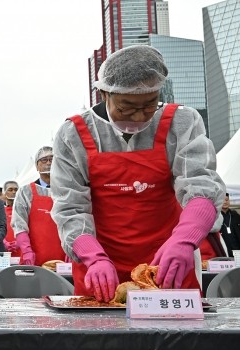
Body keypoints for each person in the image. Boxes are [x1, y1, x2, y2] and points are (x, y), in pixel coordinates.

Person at [50, 45, 225, 302]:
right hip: (101, 266)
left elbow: (202, 187)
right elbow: (70, 207)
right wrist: (93, 257)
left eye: (149, 105)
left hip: (167, 264)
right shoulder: (74, 134)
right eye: (127, 107)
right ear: (103, 93)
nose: (139, 115)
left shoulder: (181, 123)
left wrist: (185, 240)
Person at [11, 146, 66, 266]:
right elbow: (19, 225)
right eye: (44, 160)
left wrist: (73, 249)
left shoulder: (67, 190)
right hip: (34, 257)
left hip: (64, 257)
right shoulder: (25, 192)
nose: (48, 163)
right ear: (36, 166)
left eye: (52, 159)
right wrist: (26, 251)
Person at [1, 180, 21, 259]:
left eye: (16, 190)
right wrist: (4, 242)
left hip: (21, 250)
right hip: (4, 251)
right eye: (10, 189)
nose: (14, 192)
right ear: (4, 193)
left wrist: (20, 241)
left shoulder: (25, 210)